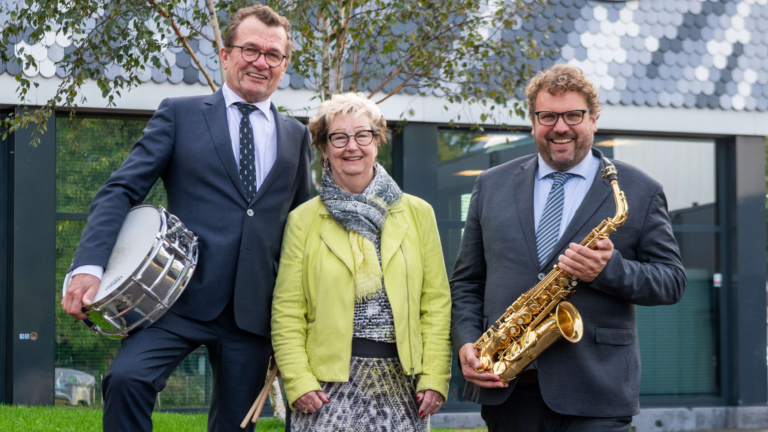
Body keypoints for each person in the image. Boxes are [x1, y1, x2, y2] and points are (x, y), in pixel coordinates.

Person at [59, 6, 311, 431]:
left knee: (236, 424)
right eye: (250, 49)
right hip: (174, 296)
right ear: (225, 54)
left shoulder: (297, 135)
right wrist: (89, 266)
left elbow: (304, 223)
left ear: (284, 66)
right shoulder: (179, 113)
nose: (260, 62)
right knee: (126, 379)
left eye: (273, 55)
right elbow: (120, 190)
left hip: (253, 311)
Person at [450, 64, 687, 432]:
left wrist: (609, 270)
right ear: (533, 122)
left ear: (594, 119)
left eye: (573, 115)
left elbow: (672, 281)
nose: (560, 127)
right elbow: (466, 282)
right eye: (548, 116)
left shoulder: (639, 189)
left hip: (598, 391)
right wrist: (466, 342)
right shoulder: (490, 184)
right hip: (509, 390)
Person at [271, 92, 452, 431]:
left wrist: (435, 374)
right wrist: (298, 379)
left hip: (403, 385)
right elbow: (287, 309)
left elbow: (436, 304)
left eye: (362, 135)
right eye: (338, 137)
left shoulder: (417, 214)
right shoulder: (303, 220)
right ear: (324, 148)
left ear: (376, 141)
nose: (351, 146)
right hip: (325, 387)